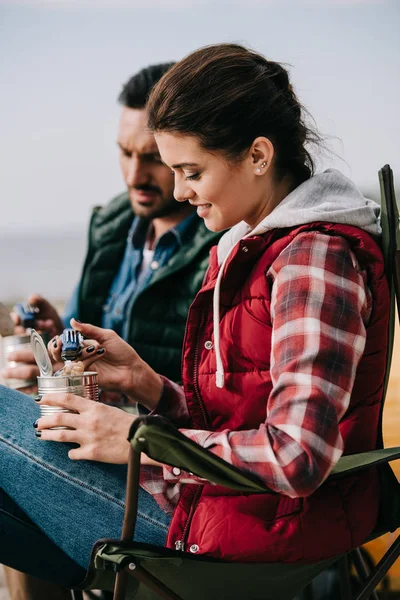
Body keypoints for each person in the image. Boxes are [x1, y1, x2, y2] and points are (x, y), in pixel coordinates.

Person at [0, 43, 390, 591]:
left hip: (240, 536)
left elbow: (297, 456)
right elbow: (243, 421)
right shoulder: (252, 248)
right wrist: (151, 388)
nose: (180, 191)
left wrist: (138, 437)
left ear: (258, 155)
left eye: (191, 171)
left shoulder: (312, 259)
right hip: (221, 511)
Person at [3, 62, 221, 391]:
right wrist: (55, 341)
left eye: (154, 158)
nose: (134, 177)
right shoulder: (110, 226)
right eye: (125, 152)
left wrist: (98, 387)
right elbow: (76, 341)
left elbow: (211, 393)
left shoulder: (223, 244)